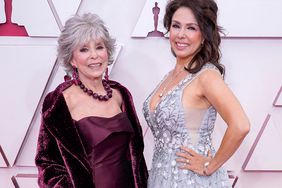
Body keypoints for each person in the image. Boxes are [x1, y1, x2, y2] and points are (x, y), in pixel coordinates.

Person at [142, 0, 250, 187]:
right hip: (161, 178)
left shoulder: (206, 76)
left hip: (191, 181)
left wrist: (210, 165)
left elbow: (241, 125)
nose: (181, 35)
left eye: (191, 28)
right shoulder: (170, 76)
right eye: (176, 26)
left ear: (205, 34)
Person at [35, 13, 148, 188]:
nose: (94, 55)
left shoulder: (121, 94)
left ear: (107, 51)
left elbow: (137, 157)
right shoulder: (60, 101)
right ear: (72, 58)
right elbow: (48, 165)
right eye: (84, 49)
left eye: (99, 47)